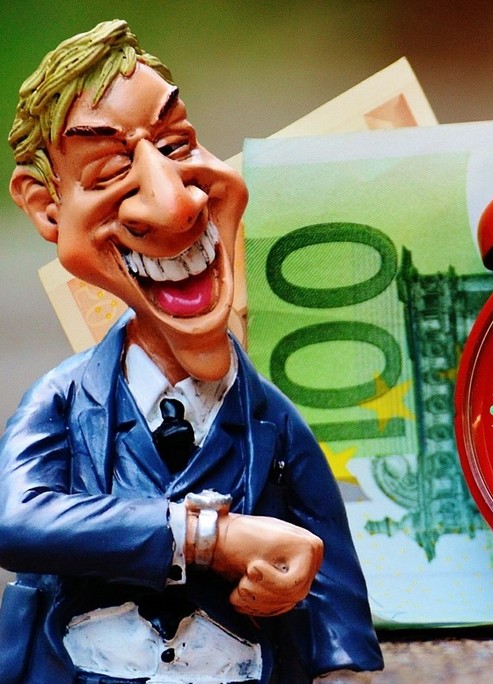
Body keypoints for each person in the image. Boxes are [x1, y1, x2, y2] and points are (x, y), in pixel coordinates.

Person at [0, 19, 383, 684]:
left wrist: (326, 636)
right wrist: (209, 537)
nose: (175, 203)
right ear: (46, 209)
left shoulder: (270, 418)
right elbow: (18, 518)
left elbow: (330, 570)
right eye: (113, 169)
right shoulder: (66, 402)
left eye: (178, 145)